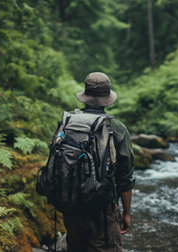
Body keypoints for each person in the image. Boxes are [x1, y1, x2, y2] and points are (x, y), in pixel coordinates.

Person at [62, 72, 135, 252]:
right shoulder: (116, 128)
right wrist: (126, 213)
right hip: (102, 209)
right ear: (107, 98)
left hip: (70, 205)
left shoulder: (68, 122)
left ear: (85, 97)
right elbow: (125, 177)